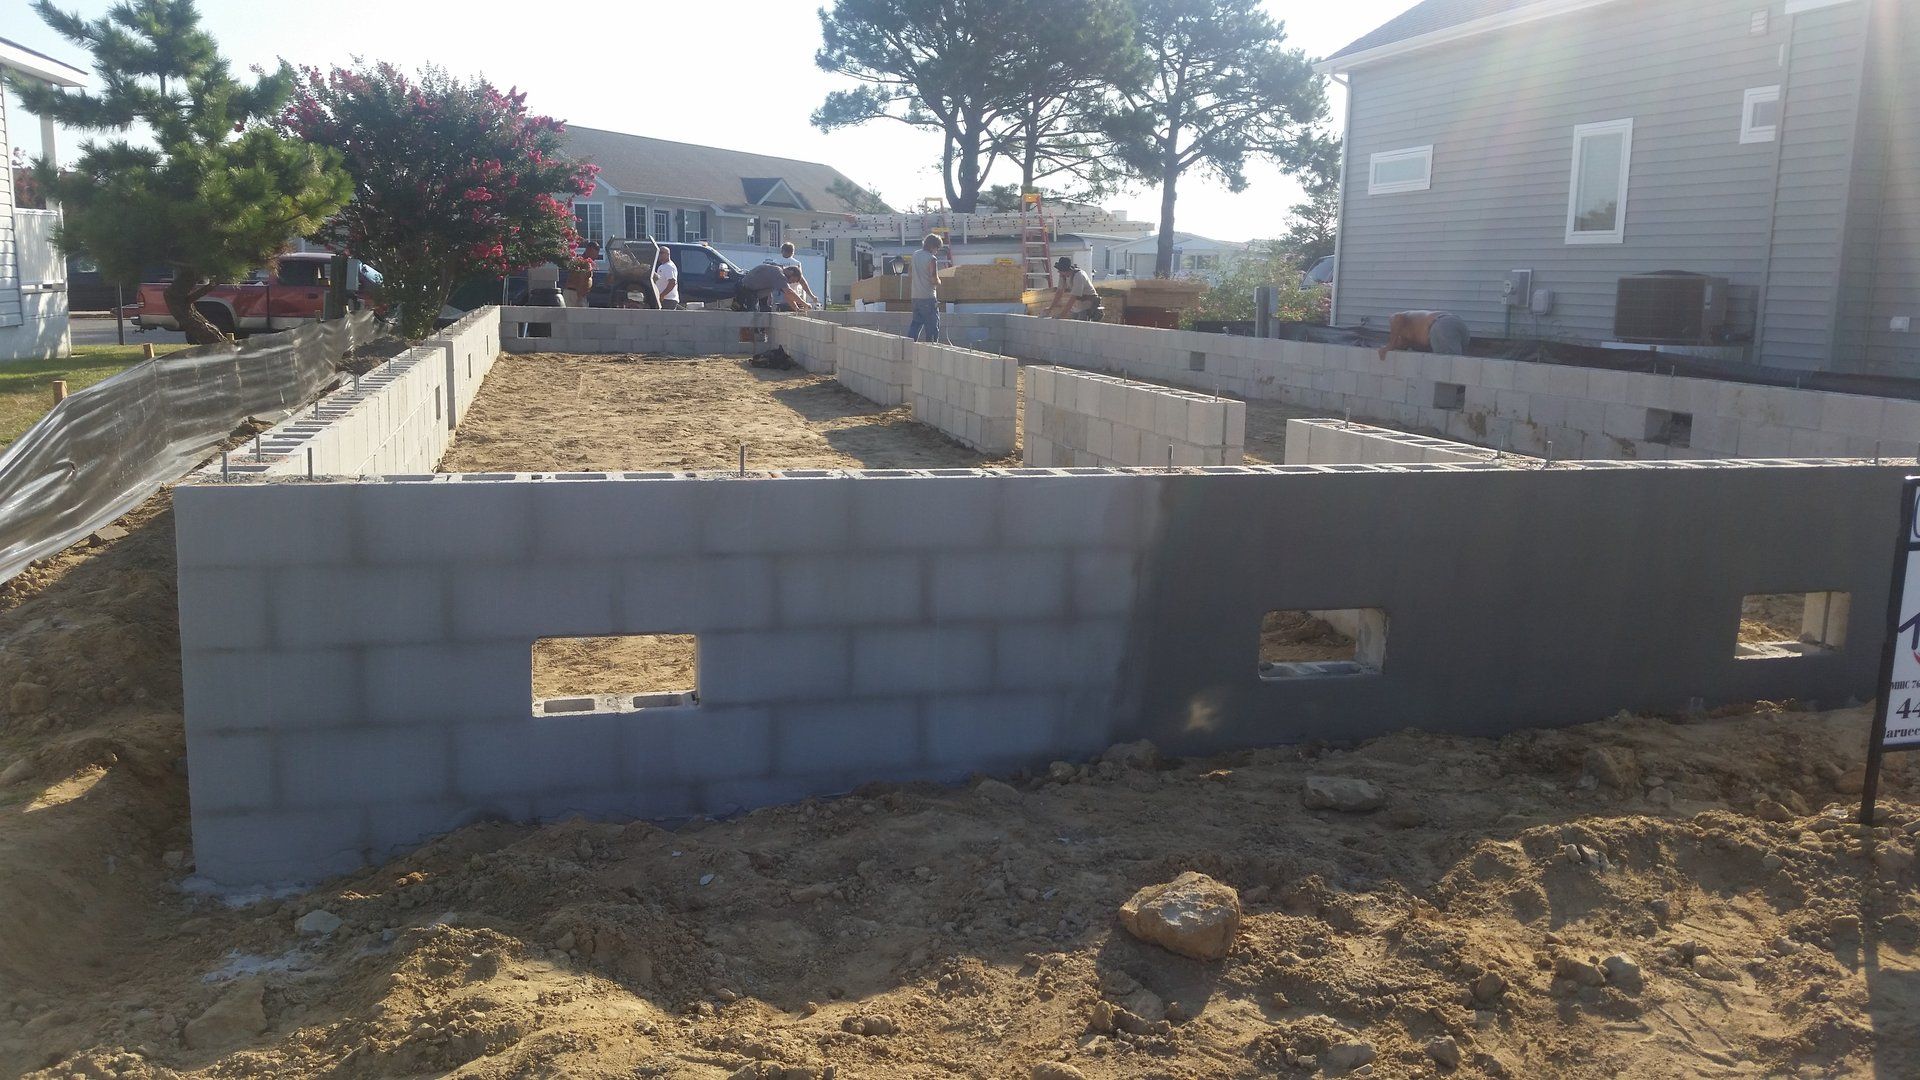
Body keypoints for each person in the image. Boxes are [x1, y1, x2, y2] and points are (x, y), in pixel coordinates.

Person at [1379, 310, 1471, 360]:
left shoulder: (1400, 322)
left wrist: (1390, 345)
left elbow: (1397, 317)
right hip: (1458, 323)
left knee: (1447, 365)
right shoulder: (1411, 337)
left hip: (1441, 325)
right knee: (1458, 363)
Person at [906, 233, 942, 341]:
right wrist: (939, 282)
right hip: (928, 297)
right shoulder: (932, 259)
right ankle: (931, 352)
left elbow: (910, 273)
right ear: (932, 246)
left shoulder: (915, 254)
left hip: (915, 297)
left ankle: (909, 347)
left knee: (915, 324)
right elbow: (933, 279)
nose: (937, 251)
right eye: (937, 248)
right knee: (932, 328)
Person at [735, 262, 811, 312]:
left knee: (760, 313)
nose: (791, 283)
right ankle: (751, 335)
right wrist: (805, 304)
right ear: (791, 272)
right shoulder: (779, 274)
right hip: (746, 291)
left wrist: (796, 309)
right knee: (752, 317)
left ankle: (755, 333)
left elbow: (787, 296)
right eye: (793, 280)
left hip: (753, 292)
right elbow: (789, 292)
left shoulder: (778, 274)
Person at [1048, 256, 1100, 320]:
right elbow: (1059, 292)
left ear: (1065, 270)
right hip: (1076, 307)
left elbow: (1074, 297)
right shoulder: (1063, 276)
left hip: (1087, 306)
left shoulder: (1079, 276)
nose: (1058, 272)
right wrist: (1050, 308)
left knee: (1081, 327)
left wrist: (1063, 314)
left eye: (1060, 270)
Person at [566, 241, 599, 307]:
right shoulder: (583, 262)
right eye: (595, 253)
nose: (596, 256)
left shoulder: (586, 262)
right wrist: (580, 297)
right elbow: (581, 278)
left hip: (578, 294)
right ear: (589, 250)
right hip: (575, 294)